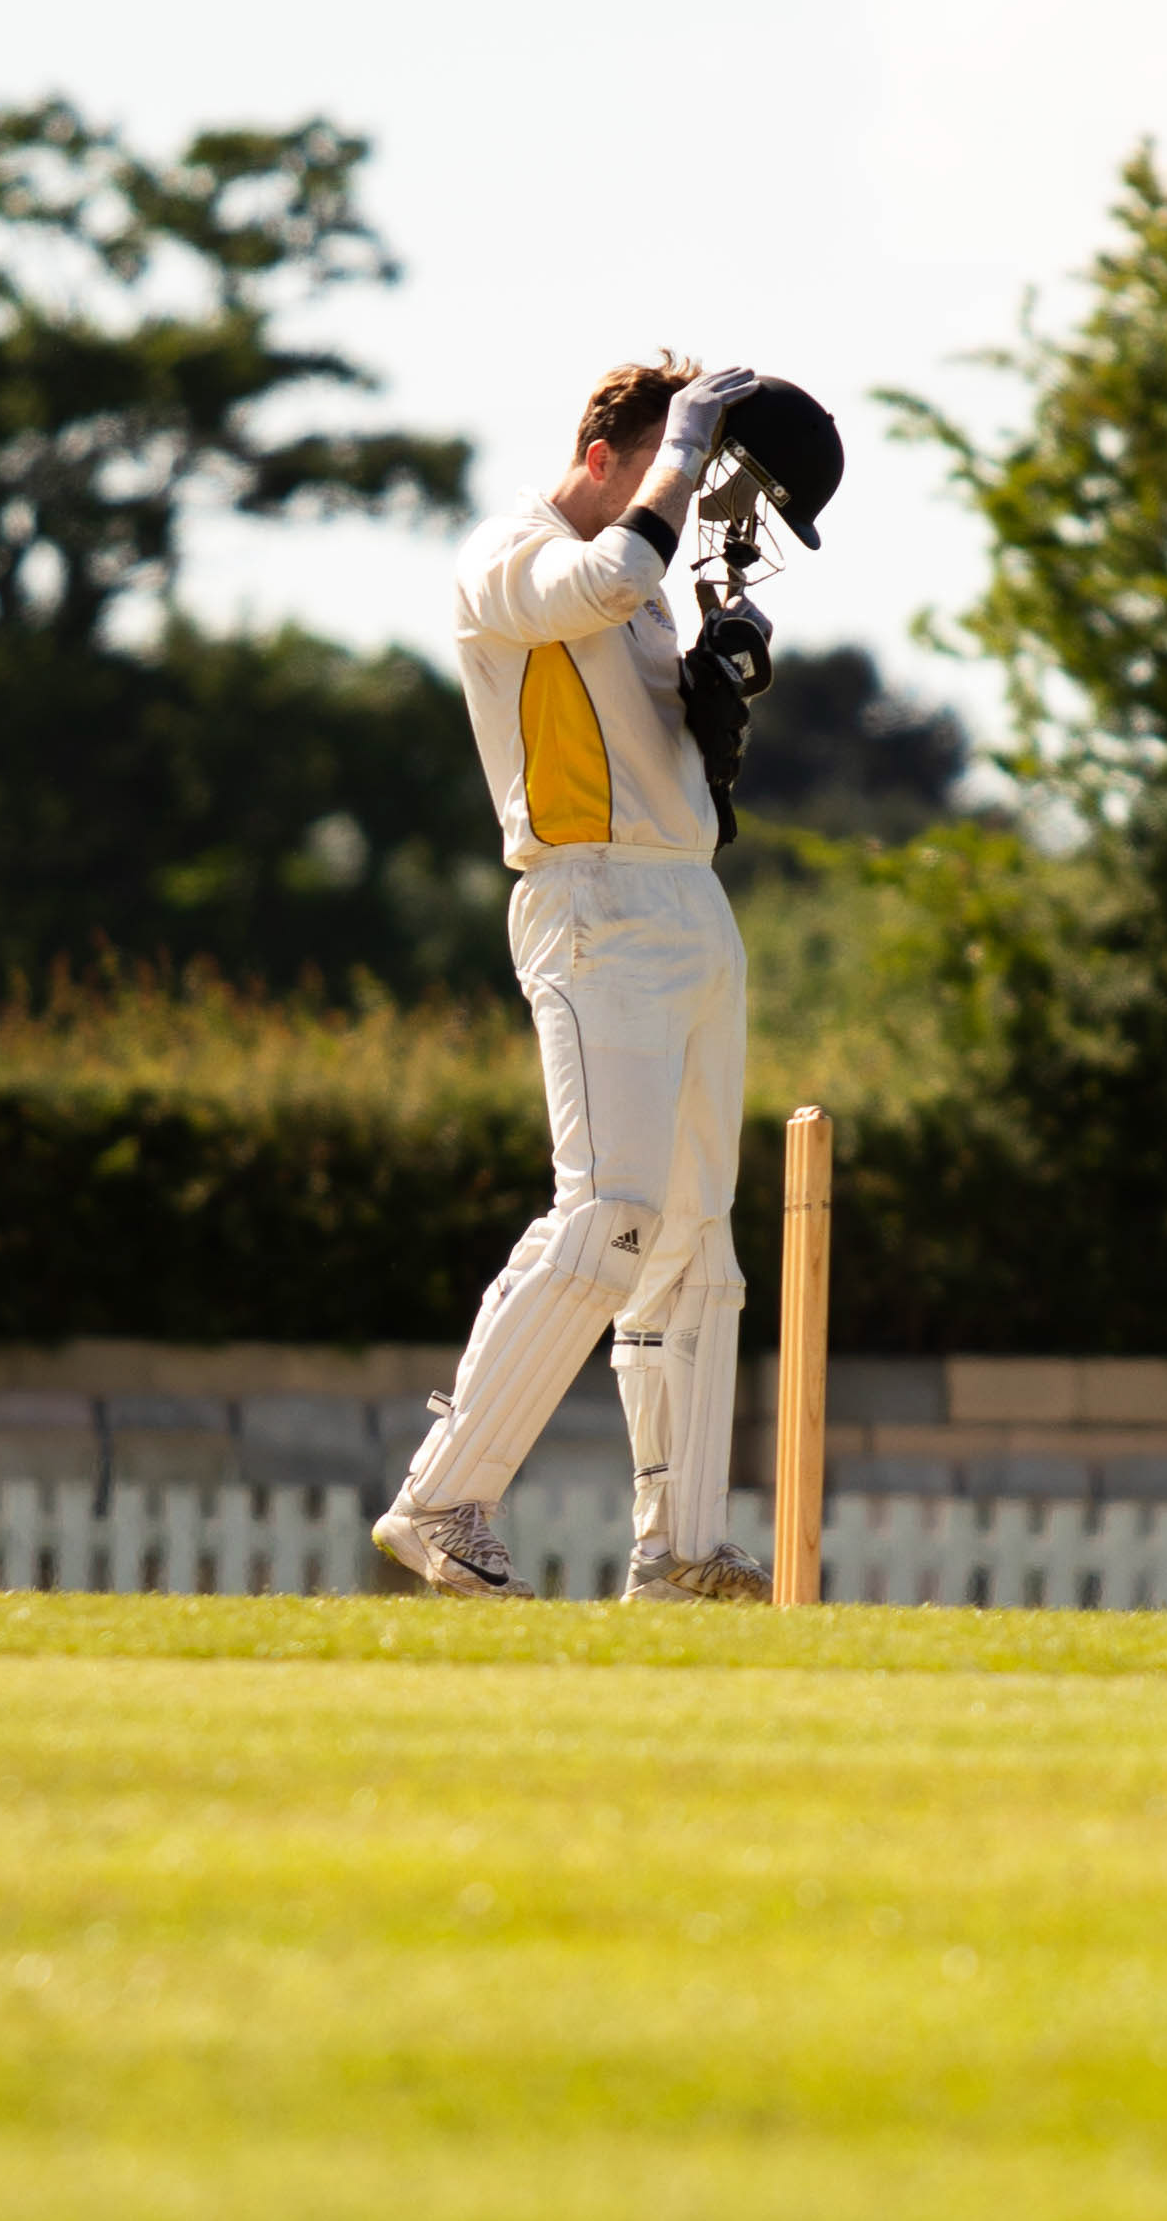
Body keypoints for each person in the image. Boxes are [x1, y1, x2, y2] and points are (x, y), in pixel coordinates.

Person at [372, 355, 773, 1603]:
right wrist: (686, 457)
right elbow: (604, 577)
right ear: (605, 458)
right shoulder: (511, 555)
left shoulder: (645, 599)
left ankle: (679, 1546)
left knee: (697, 1236)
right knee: (609, 1214)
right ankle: (444, 1499)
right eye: (660, 463)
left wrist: (721, 681)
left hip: (688, 900)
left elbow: (651, 680)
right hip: (590, 903)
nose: (681, 489)